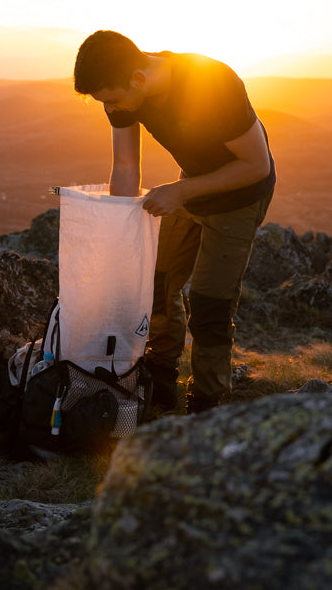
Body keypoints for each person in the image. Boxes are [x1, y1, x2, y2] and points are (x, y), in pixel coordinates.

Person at [73, 30, 276, 413]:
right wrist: (122, 230)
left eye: (113, 100)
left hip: (240, 193)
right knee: (158, 278)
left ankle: (207, 402)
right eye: (105, 103)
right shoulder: (122, 91)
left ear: (138, 79)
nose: (113, 110)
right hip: (192, 186)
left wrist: (181, 192)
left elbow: (257, 165)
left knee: (209, 302)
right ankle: (161, 374)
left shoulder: (214, 83)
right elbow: (126, 165)